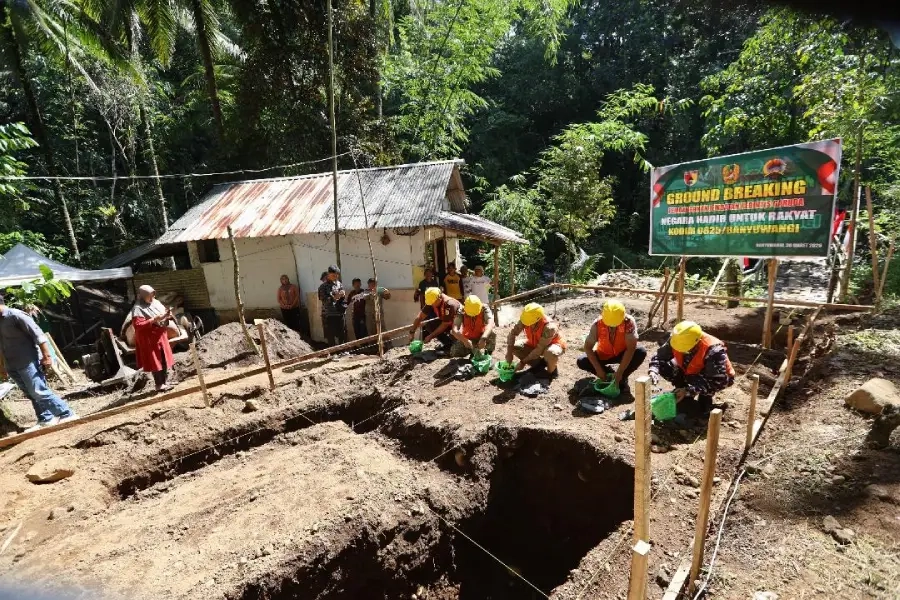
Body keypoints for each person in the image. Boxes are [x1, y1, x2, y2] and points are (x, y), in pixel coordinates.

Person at [0, 294, 77, 430]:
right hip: (11, 364)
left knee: (38, 391)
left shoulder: (15, 315)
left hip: (28, 361)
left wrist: (46, 356)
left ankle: (66, 413)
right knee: (30, 393)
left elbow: (39, 335)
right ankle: (45, 418)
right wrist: (2, 366)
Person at [649, 321, 735, 415]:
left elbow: (717, 381)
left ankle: (704, 402)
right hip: (690, 371)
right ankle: (681, 391)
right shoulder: (677, 339)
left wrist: (688, 390)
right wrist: (653, 370)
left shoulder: (714, 350)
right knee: (664, 366)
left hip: (717, 377)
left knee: (701, 407)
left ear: (696, 342)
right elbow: (659, 357)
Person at [576, 300, 647, 398]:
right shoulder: (597, 324)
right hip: (604, 354)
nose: (612, 327)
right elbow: (587, 348)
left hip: (622, 353)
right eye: (610, 325)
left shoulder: (628, 323)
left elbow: (631, 349)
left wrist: (620, 372)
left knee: (640, 352)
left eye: (616, 324)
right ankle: (608, 375)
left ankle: (621, 378)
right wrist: (599, 370)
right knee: (582, 361)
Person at [131, 285, 176, 393]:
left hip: (160, 335)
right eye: (149, 296)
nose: (151, 298)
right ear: (142, 296)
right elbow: (138, 325)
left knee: (163, 358)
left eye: (152, 295)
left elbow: (163, 313)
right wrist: (153, 319)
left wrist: (167, 315)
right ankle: (159, 385)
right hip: (149, 339)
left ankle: (165, 382)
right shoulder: (138, 308)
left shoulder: (155, 302)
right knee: (155, 361)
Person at [505, 302, 566, 379]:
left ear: (538, 319)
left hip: (553, 344)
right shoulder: (526, 319)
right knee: (515, 346)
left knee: (550, 353)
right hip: (535, 342)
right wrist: (509, 352)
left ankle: (550, 373)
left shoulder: (549, 327)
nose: (526, 324)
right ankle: (539, 365)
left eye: (529, 323)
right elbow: (512, 333)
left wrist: (523, 362)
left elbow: (539, 349)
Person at [318, 265, 347, 346]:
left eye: (337, 275)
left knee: (342, 333)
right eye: (334, 275)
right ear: (328, 274)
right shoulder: (323, 286)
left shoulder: (339, 284)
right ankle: (333, 353)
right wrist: (334, 298)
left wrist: (343, 294)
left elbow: (342, 296)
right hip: (329, 314)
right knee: (330, 335)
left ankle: (342, 351)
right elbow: (323, 299)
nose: (336, 277)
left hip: (339, 312)